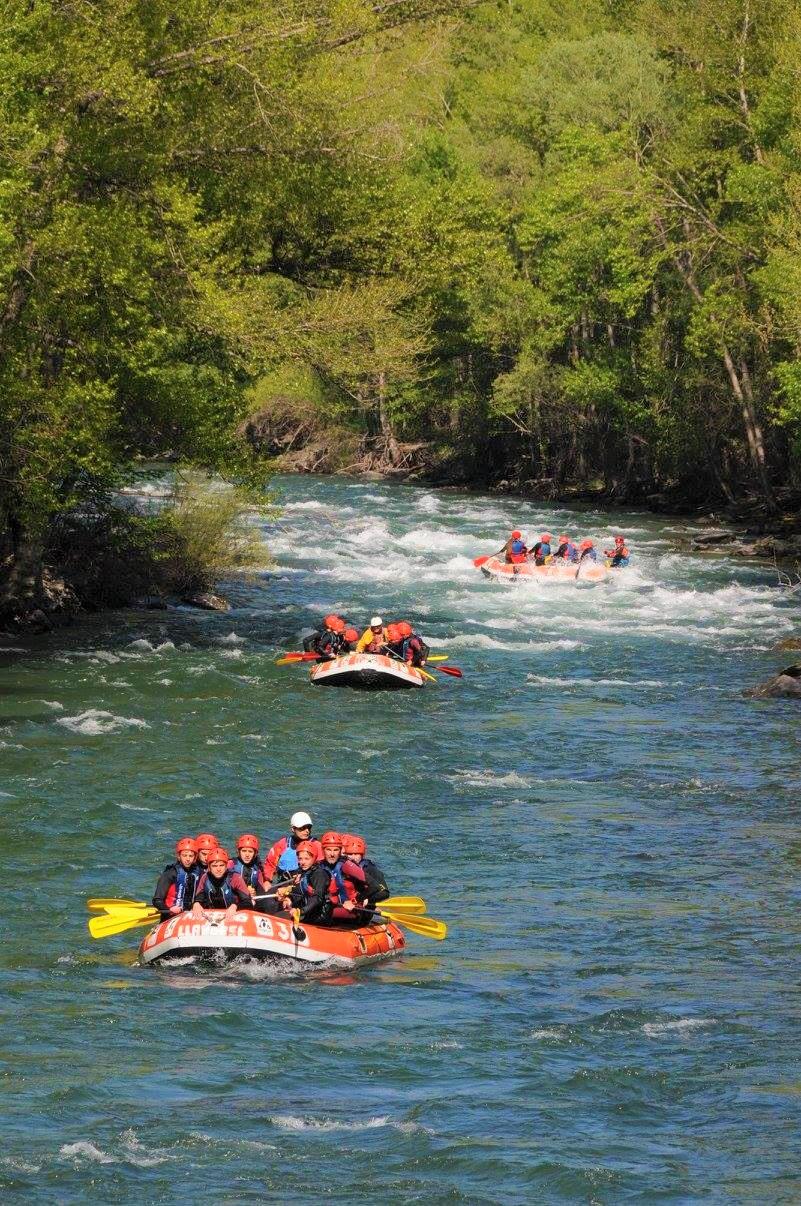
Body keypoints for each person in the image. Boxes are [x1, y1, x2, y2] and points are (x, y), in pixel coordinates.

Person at [319, 831, 371, 924]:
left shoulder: (348, 866)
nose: (332, 854)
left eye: (336, 850)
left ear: (340, 851)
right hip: (332, 906)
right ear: (323, 850)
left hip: (352, 910)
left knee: (321, 912)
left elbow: (374, 887)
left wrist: (357, 900)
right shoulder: (319, 866)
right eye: (328, 850)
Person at [278, 841, 333, 925]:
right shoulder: (303, 872)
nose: (303, 862)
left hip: (319, 917)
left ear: (314, 858)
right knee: (278, 912)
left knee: (280, 917)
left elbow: (317, 898)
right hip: (307, 913)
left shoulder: (319, 874)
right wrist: (289, 899)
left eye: (307, 859)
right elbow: (298, 891)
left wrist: (300, 911)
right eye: (300, 859)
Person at [192, 847, 253, 917]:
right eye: (214, 866)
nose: (218, 869)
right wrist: (196, 903)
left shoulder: (235, 878)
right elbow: (199, 898)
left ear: (226, 866)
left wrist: (235, 906)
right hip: (212, 915)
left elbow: (248, 902)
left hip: (231, 914)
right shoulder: (205, 878)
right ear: (209, 867)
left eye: (221, 865)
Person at [152, 837, 200, 919]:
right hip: (170, 916)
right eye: (184, 855)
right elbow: (157, 900)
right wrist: (169, 909)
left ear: (195, 857)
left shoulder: (197, 873)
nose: (188, 859)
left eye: (191, 856)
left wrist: (197, 903)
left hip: (189, 916)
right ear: (179, 856)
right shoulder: (170, 873)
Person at [263, 811, 314, 881]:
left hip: (304, 882)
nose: (307, 831)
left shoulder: (316, 845)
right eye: (302, 828)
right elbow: (269, 864)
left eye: (309, 827)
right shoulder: (283, 843)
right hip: (283, 883)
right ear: (293, 829)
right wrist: (267, 880)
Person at [341, 834, 390, 904]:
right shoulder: (343, 866)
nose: (353, 857)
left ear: (362, 855)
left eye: (356, 854)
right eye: (350, 854)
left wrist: (367, 899)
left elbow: (385, 893)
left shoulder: (370, 869)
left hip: (365, 902)